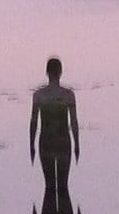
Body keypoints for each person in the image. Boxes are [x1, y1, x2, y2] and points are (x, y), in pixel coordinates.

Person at [29, 57, 80, 203]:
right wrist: (77, 144)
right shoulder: (68, 95)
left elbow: (33, 122)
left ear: (47, 72)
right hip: (64, 141)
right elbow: (74, 122)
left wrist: (31, 145)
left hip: (46, 142)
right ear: (60, 72)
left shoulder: (39, 96)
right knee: (63, 186)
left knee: (49, 187)